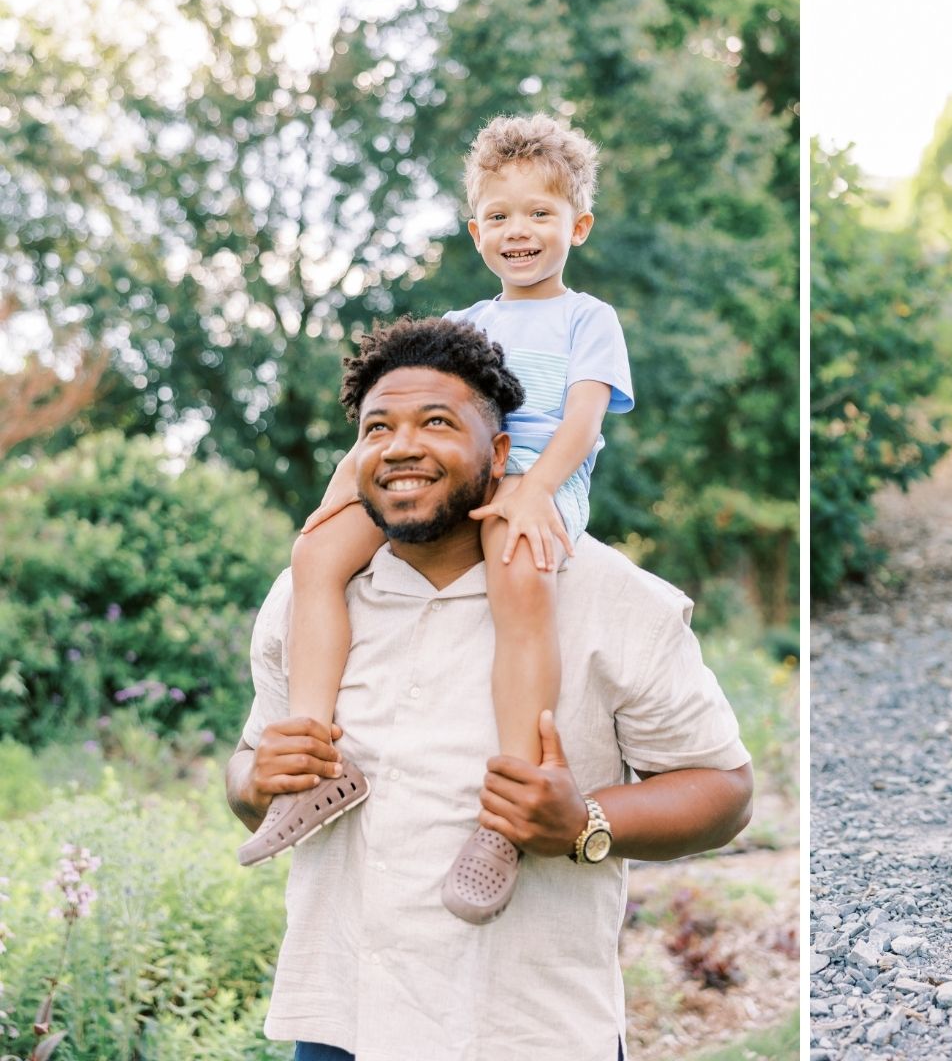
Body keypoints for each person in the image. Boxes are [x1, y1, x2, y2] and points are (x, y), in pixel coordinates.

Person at [225, 316, 752, 1059]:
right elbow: (246, 777)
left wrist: (586, 822)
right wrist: (257, 781)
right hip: (341, 1024)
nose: (402, 445)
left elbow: (726, 790)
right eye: (378, 428)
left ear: (500, 451)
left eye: (436, 422)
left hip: (527, 1032)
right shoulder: (308, 597)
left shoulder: (612, 600)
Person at [237, 114, 633, 928]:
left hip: (535, 482)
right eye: (499, 216)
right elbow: (405, 420)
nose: (518, 231)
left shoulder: (587, 318)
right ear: (475, 229)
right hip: (441, 477)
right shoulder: (466, 324)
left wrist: (531, 492)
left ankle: (505, 813)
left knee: (518, 581)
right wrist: (336, 496)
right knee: (314, 559)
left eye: (539, 215)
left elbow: (584, 422)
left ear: (577, 226)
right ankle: (316, 760)